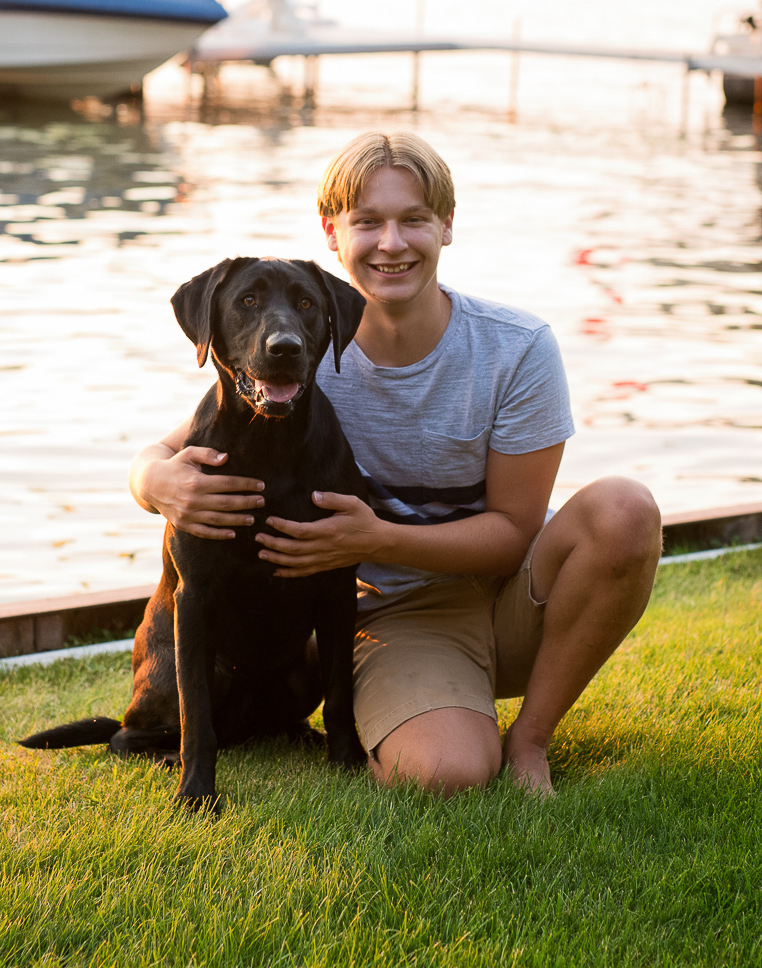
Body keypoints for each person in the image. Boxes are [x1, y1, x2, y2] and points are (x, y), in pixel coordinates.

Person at [129, 131, 662, 798]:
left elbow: (518, 528)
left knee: (625, 510)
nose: (392, 242)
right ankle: (403, 698)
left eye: (413, 219)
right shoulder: (300, 363)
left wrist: (374, 537)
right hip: (405, 616)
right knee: (445, 772)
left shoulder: (517, 348)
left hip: (514, 592)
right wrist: (154, 481)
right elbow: (165, 451)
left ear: (446, 225)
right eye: (368, 222)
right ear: (332, 230)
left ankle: (529, 740)